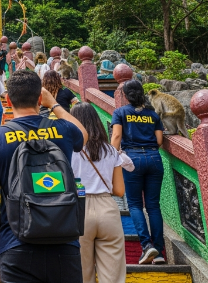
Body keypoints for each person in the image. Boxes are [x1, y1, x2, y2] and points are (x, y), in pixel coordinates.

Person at [0, 70, 88, 283]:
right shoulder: (62, 130)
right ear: (40, 98)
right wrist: (54, 104)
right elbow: (83, 134)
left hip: (16, 245)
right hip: (64, 243)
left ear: (8, 100)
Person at [70, 102, 127, 283]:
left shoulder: (69, 151)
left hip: (78, 209)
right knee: (113, 277)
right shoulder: (111, 151)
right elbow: (119, 190)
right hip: (107, 209)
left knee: (81, 273)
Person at [111, 79, 166, 265]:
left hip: (132, 159)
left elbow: (116, 136)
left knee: (135, 204)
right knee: (153, 206)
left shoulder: (120, 112)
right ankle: (159, 252)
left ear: (125, 95)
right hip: (154, 158)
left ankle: (146, 245)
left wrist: (110, 159)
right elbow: (159, 141)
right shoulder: (152, 114)